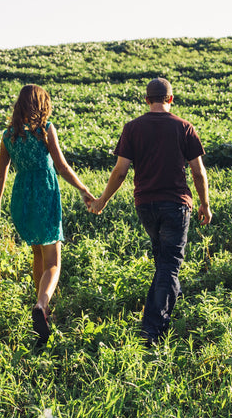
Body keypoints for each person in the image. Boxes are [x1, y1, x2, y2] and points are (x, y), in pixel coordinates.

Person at [87, 77, 211, 345]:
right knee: (169, 265)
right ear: (171, 99)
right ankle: (152, 330)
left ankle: (167, 306)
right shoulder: (184, 127)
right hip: (176, 205)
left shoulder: (132, 128)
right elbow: (198, 172)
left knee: (164, 263)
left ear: (146, 100)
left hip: (145, 206)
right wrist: (205, 203)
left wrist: (103, 200)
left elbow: (120, 172)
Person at [0, 84, 95, 346]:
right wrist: (83, 189)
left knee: (38, 253)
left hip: (22, 199)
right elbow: (61, 166)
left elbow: (1, 176)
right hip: (44, 195)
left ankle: (41, 309)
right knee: (53, 262)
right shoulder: (44, 130)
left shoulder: (8, 135)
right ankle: (42, 305)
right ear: (41, 104)